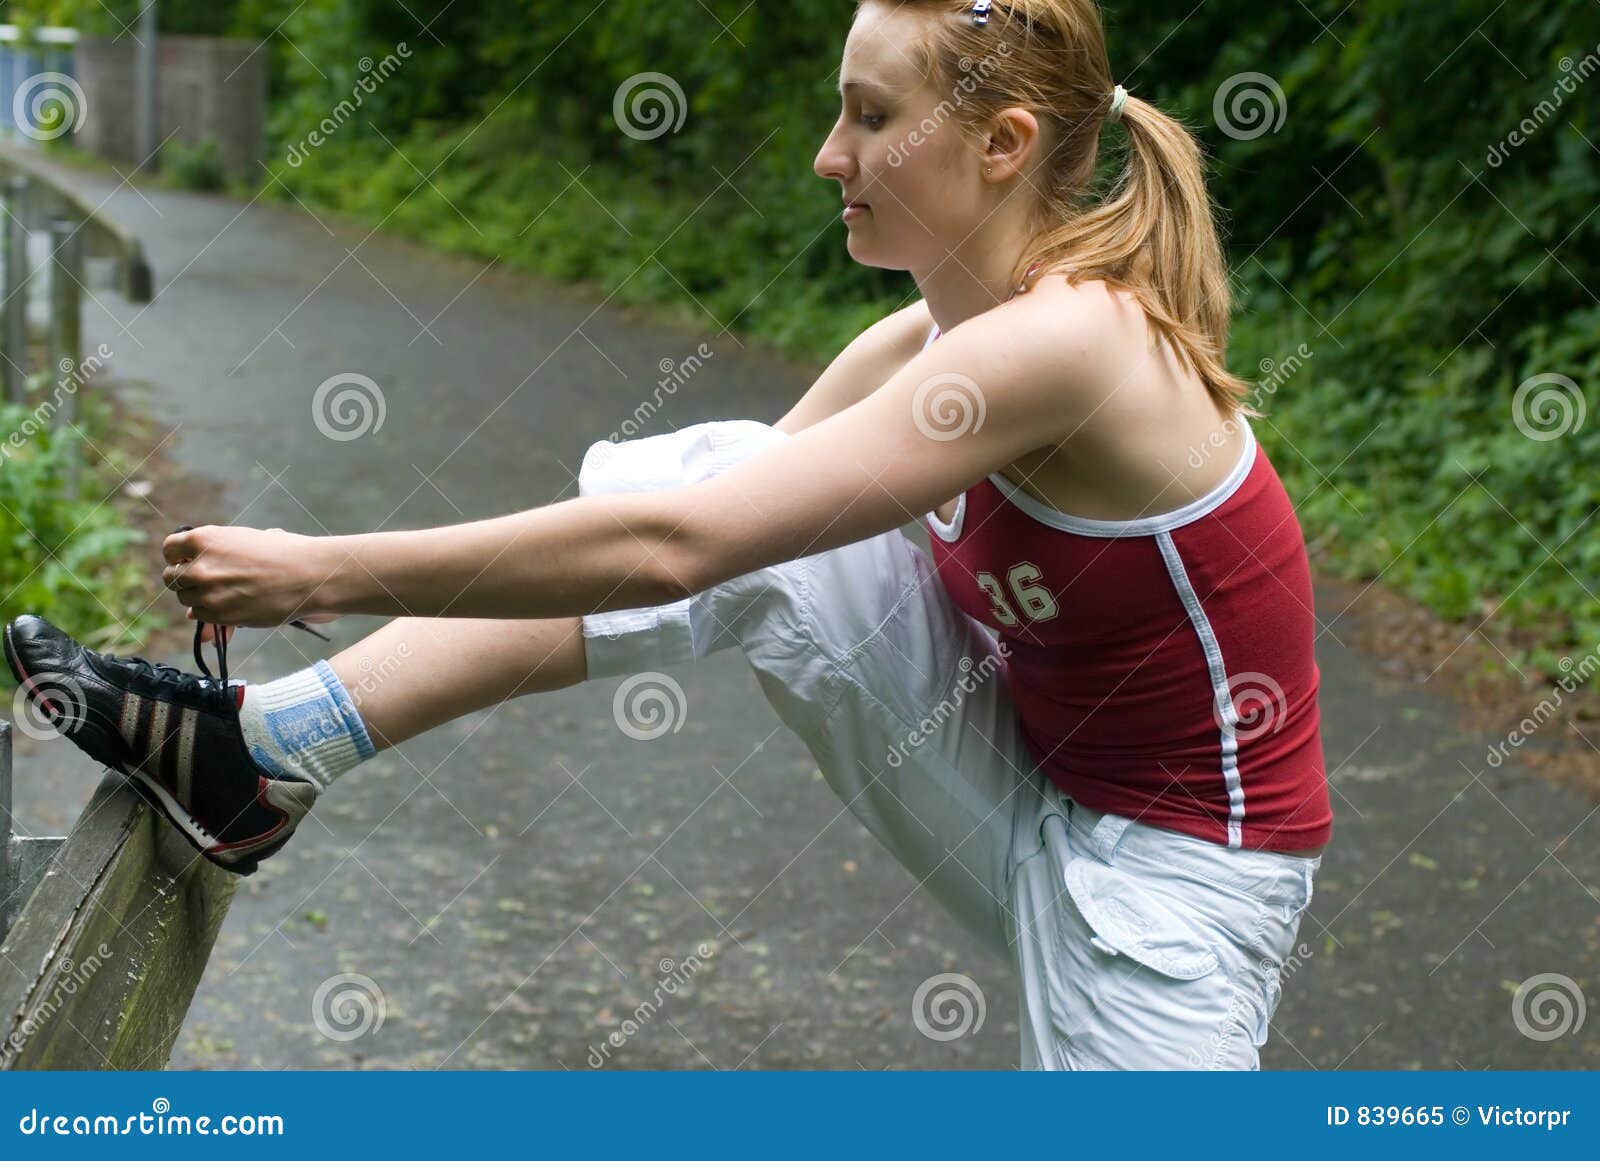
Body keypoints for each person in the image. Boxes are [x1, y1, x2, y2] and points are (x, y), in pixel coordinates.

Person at [4, 0, 1330, 1069]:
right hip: (1028, 791)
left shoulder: (1076, 344)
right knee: (747, 482)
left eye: (870, 117)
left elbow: (679, 546)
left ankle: (269, 746)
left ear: (1002, 144)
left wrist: (328, 566)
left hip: (1175, 891)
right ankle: (267, 752)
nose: (829, 154)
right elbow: (707, 533)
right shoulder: (933, 337)